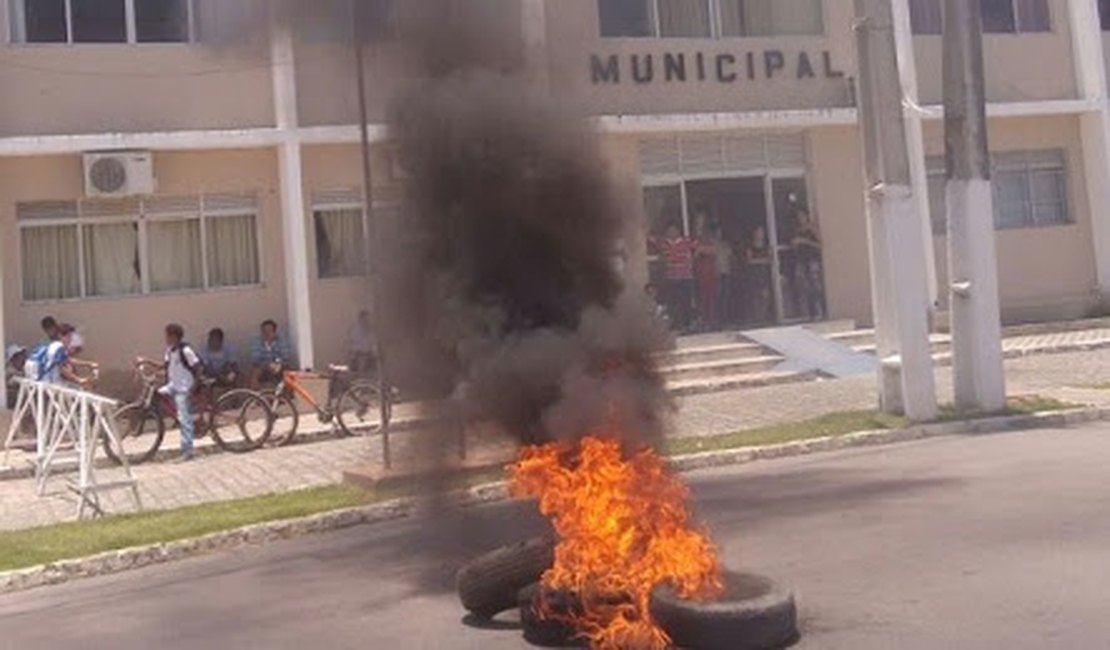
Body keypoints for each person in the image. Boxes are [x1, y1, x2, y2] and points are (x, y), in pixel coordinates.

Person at [137, 324, 202, 462]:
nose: (165, 338)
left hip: (184, 387)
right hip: (173, 385)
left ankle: (187, 451)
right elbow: (164, 366)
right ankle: (162, 420)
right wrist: (146, 361)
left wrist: (193, 386)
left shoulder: (186, 350)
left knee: (184, 418)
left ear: (174, 336)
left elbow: (197, 367)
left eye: (167, 335)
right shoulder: (169, 351)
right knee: (155, 394)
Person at [654, 221, 696, 333]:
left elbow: (698, 245)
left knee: (685, 301)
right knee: (673, 302)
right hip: (671, 278)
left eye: (674, 230)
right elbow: (651, 240)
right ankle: (676, 324)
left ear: (678, 231)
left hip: (685, 277)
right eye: (669, 230)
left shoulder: (686, 242)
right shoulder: (663, 243)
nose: (672, 232)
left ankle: (687, 324)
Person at [792, 210, 825, 321]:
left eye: (803, 216)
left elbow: (820, 244)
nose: (801, 219)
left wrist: (805, 241)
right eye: (799, 217)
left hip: (812, 261)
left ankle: (818, 312)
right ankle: (807, 314)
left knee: (815, 287)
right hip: (801, 260)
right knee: (803, 287)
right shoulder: (796, 230)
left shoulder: (811, 229)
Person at [248, 320, 293, 389]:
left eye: (269, 331)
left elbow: (286, 356)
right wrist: (268, 364)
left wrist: (277, 363)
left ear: (274, 332)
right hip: (262, 366)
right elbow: (255, 358)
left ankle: (286, 395)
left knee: (288, 371)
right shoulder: (257, 342)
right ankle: (256, 395)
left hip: (279, 365)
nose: (266, 334)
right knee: (255, 372)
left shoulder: (281, 341)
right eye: (264, 331)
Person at [694, 221, 721, 330]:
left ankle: (712, 321)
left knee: (712, 298)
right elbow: (695, 253)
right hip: (701, 274)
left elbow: (714, 251)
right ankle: (704, 321)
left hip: (711, 273)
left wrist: (703, 250)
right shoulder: (697, 241)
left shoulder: (712, 242)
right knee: (702, 298)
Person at [745, 226, 774, 325]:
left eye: (762, 232)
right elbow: (749, 260)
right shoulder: (750, 246)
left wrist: (759, 260)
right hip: (754, 274)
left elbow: (771, 259)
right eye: (758, 232)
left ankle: (763, 317)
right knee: (755, 296)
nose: (760, 234)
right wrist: (762, 260)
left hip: (764, 274)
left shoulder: (767, 246)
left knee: (765, 296)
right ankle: (757, 319)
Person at [347, 310, 377, 375]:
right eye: (366, 319)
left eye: (368, 319)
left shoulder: (370, 331)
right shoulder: (356, 330)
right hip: (358, 355)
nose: (368, 321)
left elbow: (372, 343)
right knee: (362, 358)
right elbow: (355, 345)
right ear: (361, 319)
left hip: (368, 355)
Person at [5, 344, 26, 410]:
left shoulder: (22, 369)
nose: (23, 358)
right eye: (18, 356)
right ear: (13, 359)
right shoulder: (9, 371)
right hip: (13, 407)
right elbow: (11, 382)